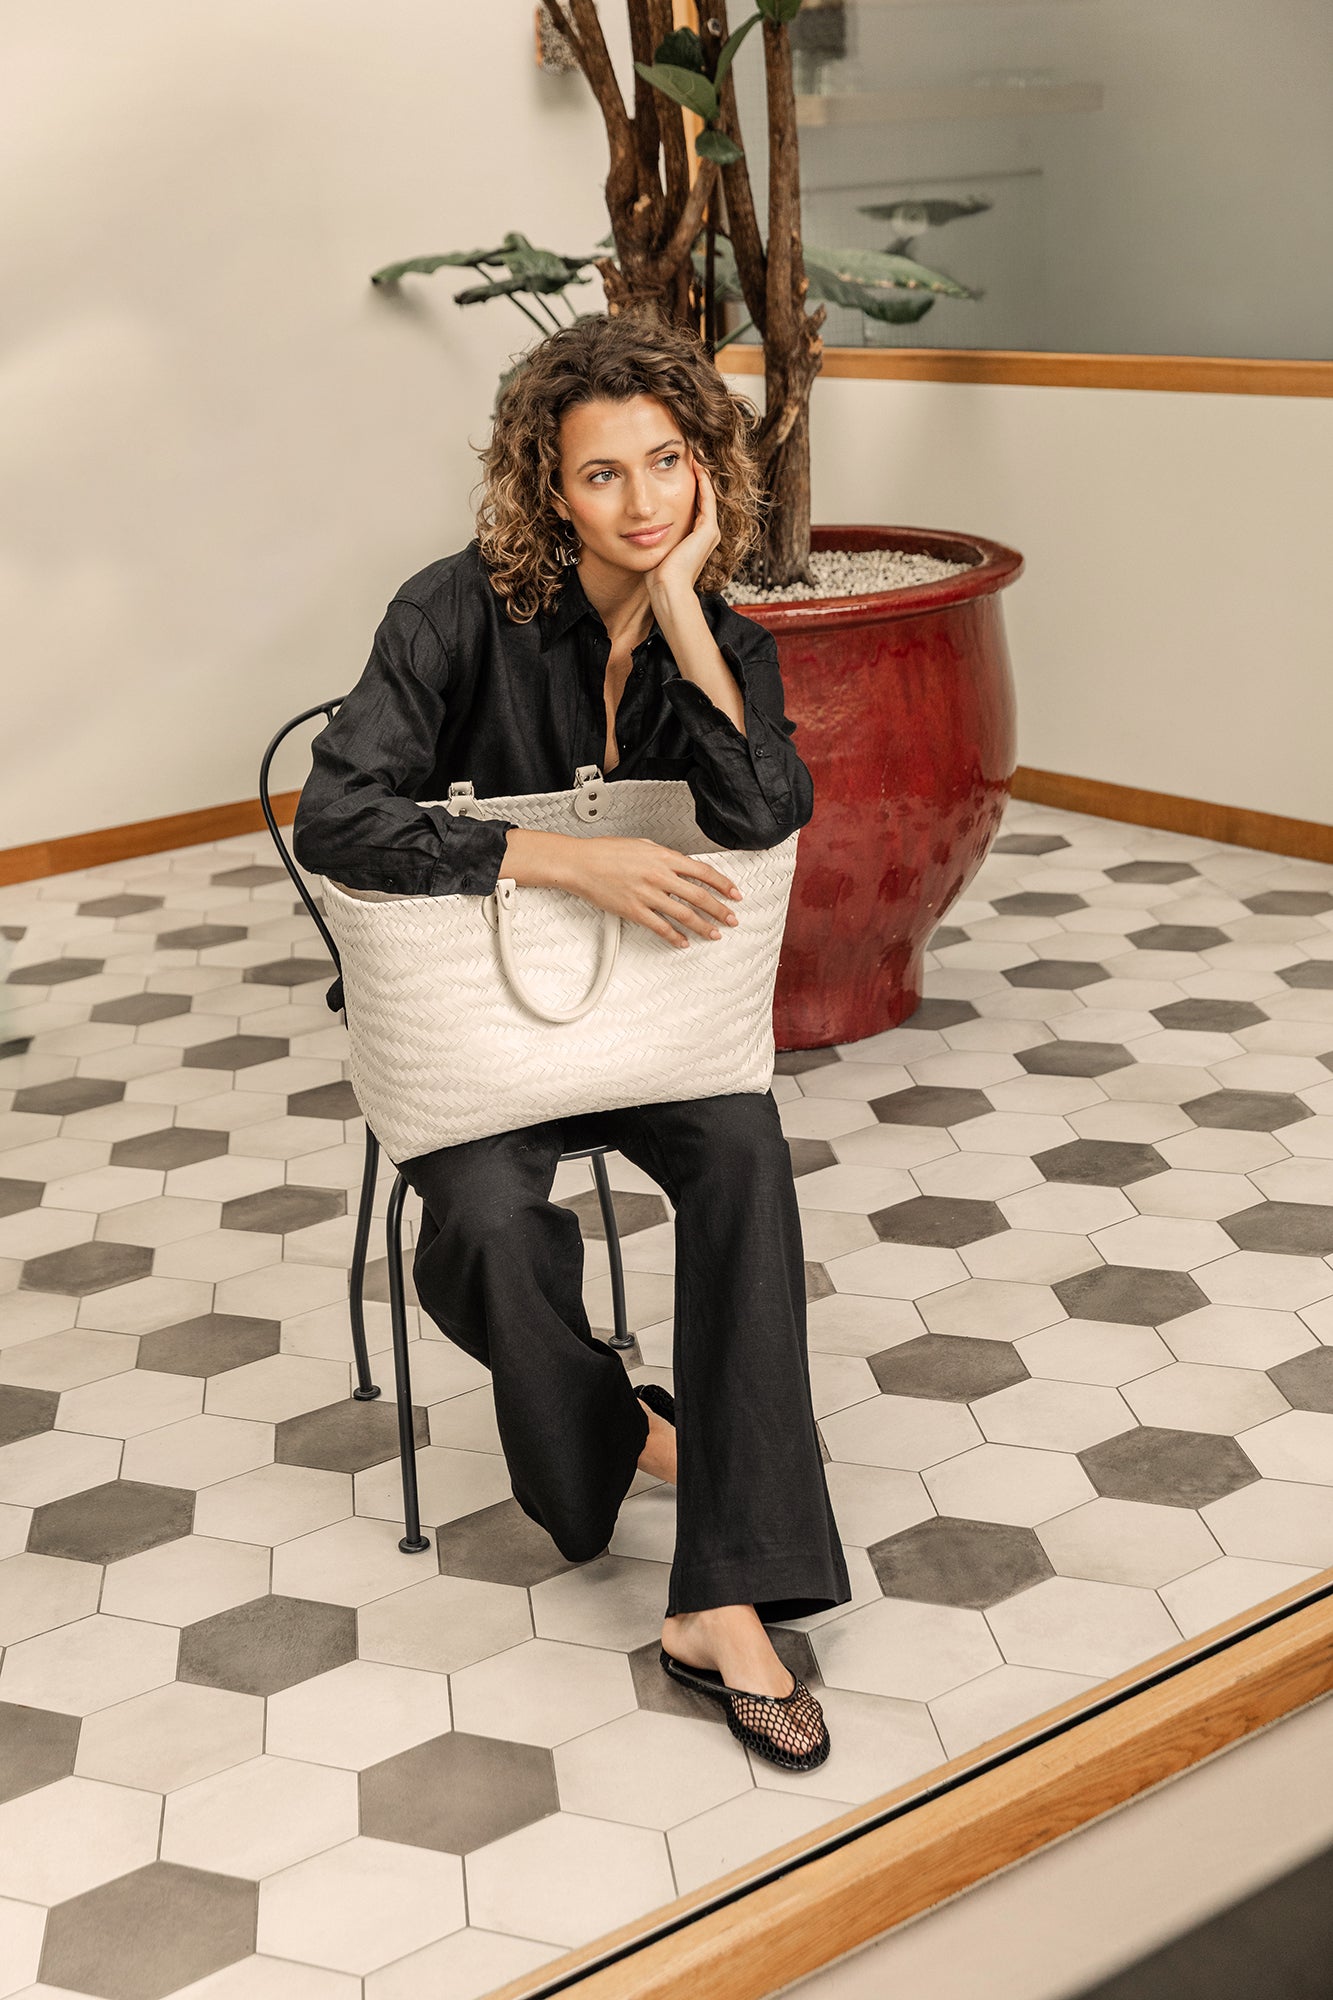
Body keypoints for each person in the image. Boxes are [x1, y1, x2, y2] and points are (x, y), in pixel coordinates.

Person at [293, 311, 851, 1770]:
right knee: (483, 1227)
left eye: (667, 462)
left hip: (660, 1030)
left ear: (707, 468)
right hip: (482, 1036)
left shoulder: (720, 637)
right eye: (602, 473)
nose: (641, 499)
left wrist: (680, 612)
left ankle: (722, 1601)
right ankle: (624, 1430)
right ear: (548, 486)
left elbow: (762, 812)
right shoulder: (449, 610)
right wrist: (558, 861)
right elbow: (337, 816)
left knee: (746, 1159)